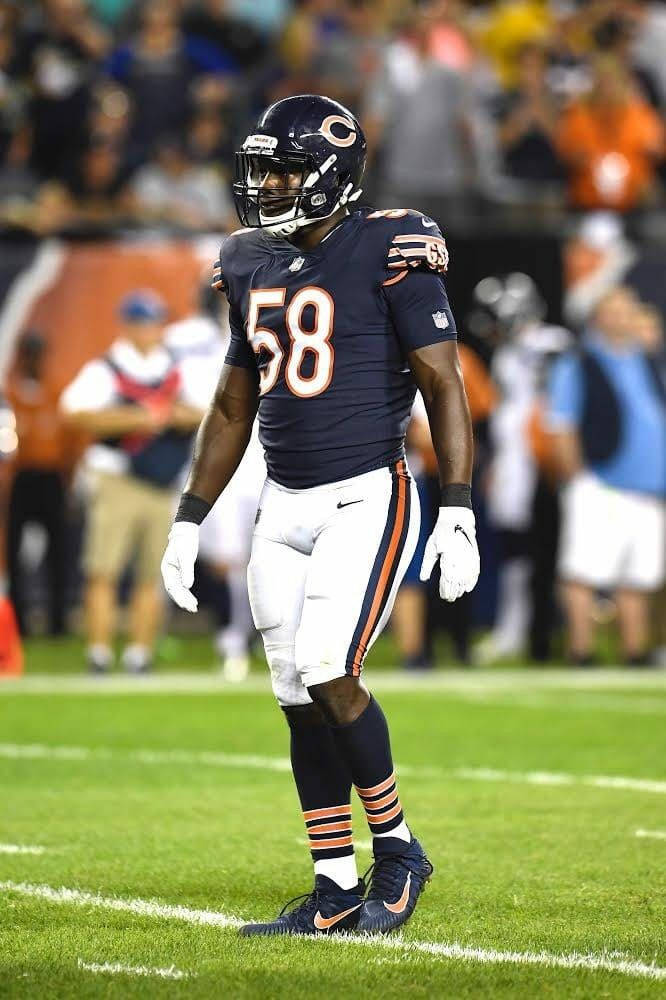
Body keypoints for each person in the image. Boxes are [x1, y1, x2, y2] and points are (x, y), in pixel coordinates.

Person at [161, 95, 480, 936]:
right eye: (261, 169)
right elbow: (233, 404)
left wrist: (458, 506)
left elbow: (445, 382)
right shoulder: (246, 260)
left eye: (283, 170)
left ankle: (401, 851)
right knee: (295, 694)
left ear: (332, 177)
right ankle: (334, 884)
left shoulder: (389, 245)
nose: (264, 185)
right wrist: (190, 516)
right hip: (282, 502)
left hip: (365, 491)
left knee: (328, 667)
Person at [60, 289, 205, 673]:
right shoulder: (106, 368)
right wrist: (137, 418)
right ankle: (99, 652)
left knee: (152, 573)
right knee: (104, 569)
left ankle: (140, 653)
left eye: (156, 321)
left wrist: (166, 414)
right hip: (117, 477)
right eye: (143, 322)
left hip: (162, 481)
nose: (151, 330)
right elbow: (75, 413)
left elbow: (205, 409)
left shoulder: (175, 366)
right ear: (128, 325)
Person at [548, 286, 666, 666]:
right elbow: (561, 425)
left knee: (638, 575)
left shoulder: (646, 360)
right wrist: (579, 479)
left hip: (648, 489)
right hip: (602, 483)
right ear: (598, 317)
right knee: (584, 569)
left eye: (628, 310)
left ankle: (635, 651)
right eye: (613, 310)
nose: (622, 318)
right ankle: (582, 650)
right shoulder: (579, 362)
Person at [5, 331, 73, 636]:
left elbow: (71, 440)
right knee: (14, 551)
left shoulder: (55, 392)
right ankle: (18, 621)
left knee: (58, 551)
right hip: (21, 478)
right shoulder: (9, 393)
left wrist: (69, 479)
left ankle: (57, 622)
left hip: (51, 477)